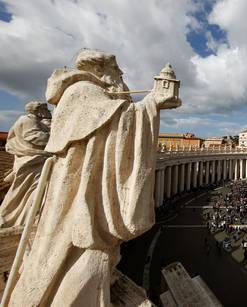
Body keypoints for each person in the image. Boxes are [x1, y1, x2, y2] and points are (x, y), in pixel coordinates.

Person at [7, 50, 181, 306]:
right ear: (101, 70)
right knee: (79, 265)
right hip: (78, 199)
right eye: (117, 73)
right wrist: (152, 102)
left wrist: (150, 104)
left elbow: (113, 122)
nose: (121, 79)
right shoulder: (83, 91)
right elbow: (120, 124)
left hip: (78, 191)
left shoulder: (88, 94)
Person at [0, 101, 51, 227]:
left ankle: (26, 216)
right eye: (46, 110)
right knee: (30, 190)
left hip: (34, 160)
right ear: (39, 111)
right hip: (33, 161)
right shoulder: (28, 120)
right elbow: (35, 137)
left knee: (32, 190)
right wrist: (56, 136)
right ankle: (15, 218)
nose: (48, 112)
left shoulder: (31, 120)